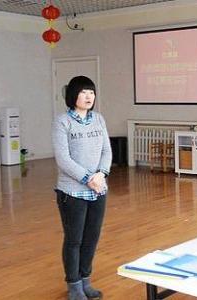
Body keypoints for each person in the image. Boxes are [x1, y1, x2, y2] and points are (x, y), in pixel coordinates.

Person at [52, 76, 112, 300]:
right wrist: (88, 178)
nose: (89, 97)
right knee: (74, 239)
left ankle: (86, 280)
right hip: (71, 191)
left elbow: (107, 150)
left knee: (91, 237)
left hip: (98, 189)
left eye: (92, 92)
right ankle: (74, 285)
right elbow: (63, 159)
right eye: (84, 92)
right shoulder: (62, 122)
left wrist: (102, 174)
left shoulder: (98, 119)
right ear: (73, 95)